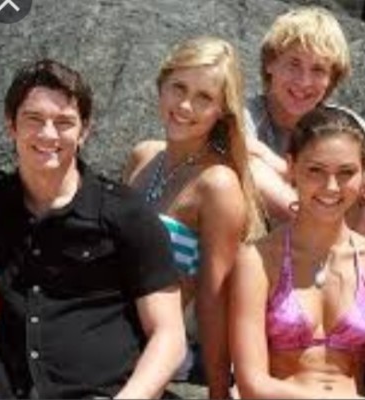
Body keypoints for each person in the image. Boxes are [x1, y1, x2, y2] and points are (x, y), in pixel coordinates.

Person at [0, 59, 185, 399]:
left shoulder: (127, 214)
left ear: (84, 131)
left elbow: (169, 335)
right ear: (11, 124)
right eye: (33, 119)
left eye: (64, 122)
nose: (48, 134)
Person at [231, 106, 365, 399]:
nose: (331, 187)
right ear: (291, 167)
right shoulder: (257, 260)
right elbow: (252, 384)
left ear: (364, 173)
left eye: (346, 172)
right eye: (316, 170)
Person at [123, 36, 266, 399]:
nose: (185, 105)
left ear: (222, 110)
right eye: (179, 88)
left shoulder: (217, 184)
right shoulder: (143, 157)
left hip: (150, 347)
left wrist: (218, 389)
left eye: (204, 97)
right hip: (97, 319)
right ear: (161, 86)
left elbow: (213, 298)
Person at [245, 6, 365, 238]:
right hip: (268, 242)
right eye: (294, 64)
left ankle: (354, 259)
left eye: (318, 70)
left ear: (331, 79)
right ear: (270, 64)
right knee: (248, 168)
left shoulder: (342, 122)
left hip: (341, 239)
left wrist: (293, 172)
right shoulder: (245, 115)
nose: (304, 82)